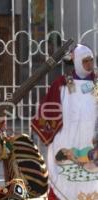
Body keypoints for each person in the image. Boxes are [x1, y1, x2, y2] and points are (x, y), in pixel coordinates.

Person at [31, 44, 98, 199]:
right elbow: (48, 110)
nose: (89, 64)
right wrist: (50, 131)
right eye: (85, 61)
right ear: (77, 62)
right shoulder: (61, 84)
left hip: (93, 140)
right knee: (65, 176)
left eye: (91, 60)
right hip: (66, 138)